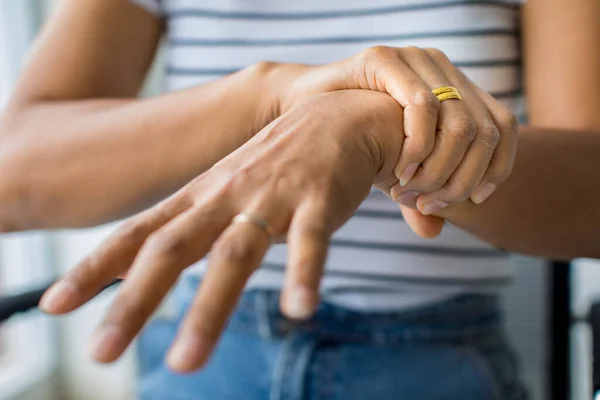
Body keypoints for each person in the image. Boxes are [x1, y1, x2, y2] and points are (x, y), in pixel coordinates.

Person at [0, 0, 598, 398]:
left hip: (432, 366)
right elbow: (16, 176)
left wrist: (384, 130)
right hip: (207, 359)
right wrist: (277, 99)